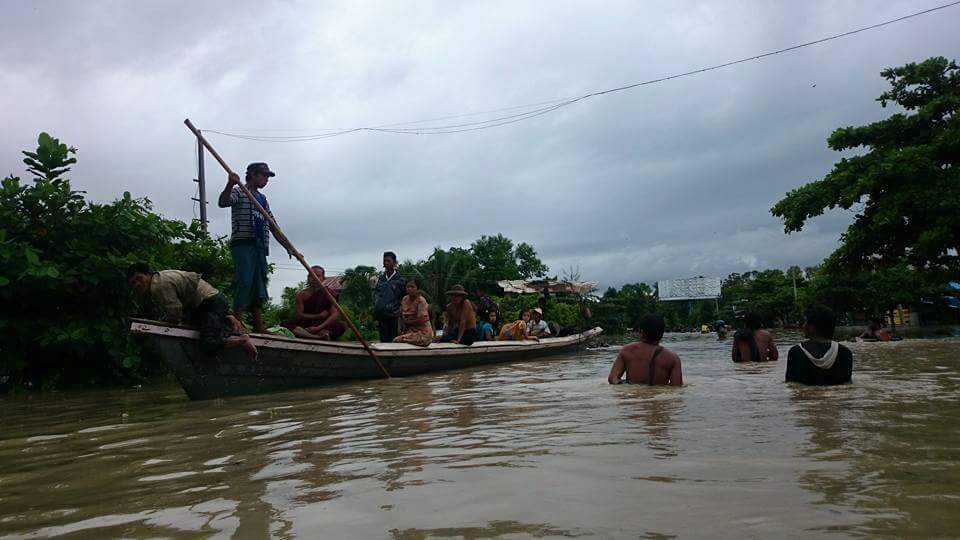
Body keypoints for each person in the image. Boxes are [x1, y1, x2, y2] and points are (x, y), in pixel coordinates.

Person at [217, 162, 300, 333]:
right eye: (264, 175)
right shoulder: (239, 191)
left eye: (268, 176)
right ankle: (236, 322)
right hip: (243, 243)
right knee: (245, 281)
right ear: (253, 175)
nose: (266, 179)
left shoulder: (262, 199)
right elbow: (223, 202)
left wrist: (289, 247)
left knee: (258, 284)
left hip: (259, 246)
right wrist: (230, 183)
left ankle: (258, 324)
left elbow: (273, 225)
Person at [127, 264, 256, 359]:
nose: (138, 284)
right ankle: (228, 319)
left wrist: (168, 322)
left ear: (149, 274)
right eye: (133, 283)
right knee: (194, 327)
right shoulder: (160, 278)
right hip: (205, 304)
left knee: (208, 345)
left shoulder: (158, 285)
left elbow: (175, 311)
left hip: (210, 303)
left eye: (139, 278)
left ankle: (243, 340)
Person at [786, 305, 853, 385]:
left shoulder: (796, 352)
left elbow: (791, 386)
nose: (803, 325)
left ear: (812, 327)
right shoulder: (845, 353)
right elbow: (847, 386)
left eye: (805, 322)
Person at [608, 314, 682, 386]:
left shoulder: (627, 350)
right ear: (662, 333)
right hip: (659, 397)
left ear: (642, 332)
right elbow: (676, 388)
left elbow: (612, 379)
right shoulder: (673, 358)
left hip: (632, 396)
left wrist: (627, 387)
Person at [281, 266, 346, 341]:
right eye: (311, 276)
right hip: (306, 324)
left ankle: (311, 334)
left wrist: (318, 328)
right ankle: (317, 337)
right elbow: (299, 315)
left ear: (323, 278)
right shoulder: (302, 294)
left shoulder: (329, 293)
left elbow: (334, 315)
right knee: (285, 323)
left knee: (341, 326)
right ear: (308, 278)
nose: (314, 279)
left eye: (317, 276)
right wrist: (317, 316)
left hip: (322, 324)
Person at [373, 251, 406, 343]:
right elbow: (377, 295)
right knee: (383, 341)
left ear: (394, 263)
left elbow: (405, 298)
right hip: (382, 316)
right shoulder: (381, 280)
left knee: (394, 341)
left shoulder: (400, 280)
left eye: (388, 260)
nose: (386, 263)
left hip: (394, 316)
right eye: (384, 261)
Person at [394, 278, 433, 347]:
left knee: (397, 340)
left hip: (423, 333)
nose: (409, 289)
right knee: (398, 340)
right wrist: (399, 329)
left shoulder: (421, 301)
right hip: (410, 331)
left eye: (412, 287)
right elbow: (400, 315)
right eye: (408, 287)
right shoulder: (405, 299)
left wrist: (407, 322)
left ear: (417, 288)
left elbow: (421, 320)